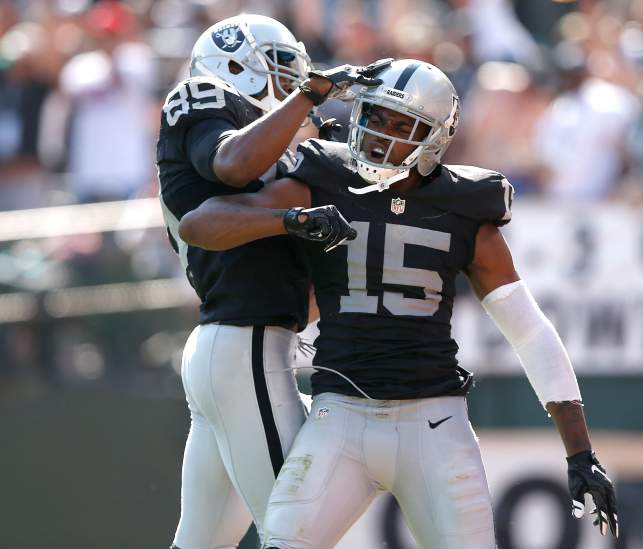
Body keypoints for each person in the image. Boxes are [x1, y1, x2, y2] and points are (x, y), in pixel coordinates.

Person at [178, 59, 619, 548]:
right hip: (339, 418)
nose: (379, 135)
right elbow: (199, 225)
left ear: (434, 138)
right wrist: (289, 220)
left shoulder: (467, 207)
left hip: (433, 424)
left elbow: (529, 331)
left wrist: (580, 452)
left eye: (400, 124)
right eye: (374, 116)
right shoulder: (322, 176)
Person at [156, 14, 375, 549]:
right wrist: (306, 98)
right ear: (235, 65)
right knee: (297, 533)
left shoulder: (272, 148)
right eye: (280, 73)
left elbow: (304, 298)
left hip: (241, 343)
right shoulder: (203, 95)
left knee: (202, 541)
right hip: (244, 342)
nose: (292, 88)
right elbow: (231, 164)